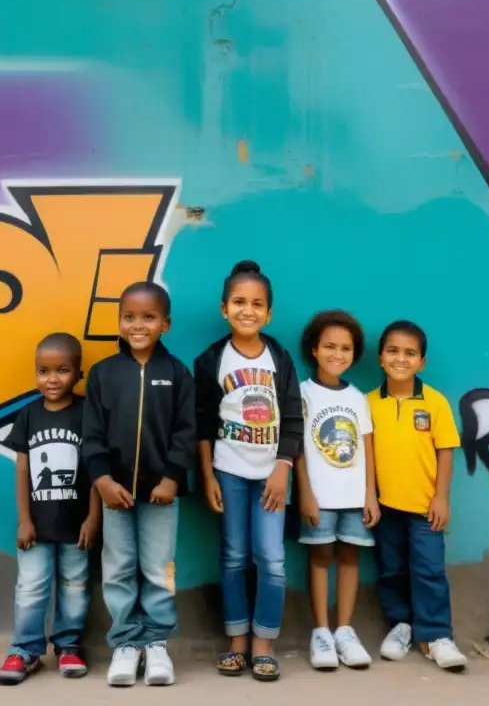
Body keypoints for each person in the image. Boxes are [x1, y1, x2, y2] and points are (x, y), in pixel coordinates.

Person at [82, 281, 196, 687]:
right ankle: (126, 644)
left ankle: (157, 643)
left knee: (158, 569)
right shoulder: (103, 374)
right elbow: (91, 434)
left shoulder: (177, 374)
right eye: (129, 317)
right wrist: (102, 480)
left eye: (148, 317)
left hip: (160, 496)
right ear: (119, 320)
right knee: (118, 569)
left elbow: (186, 433)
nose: (137, 325)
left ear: (164, 323)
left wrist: (170, 479)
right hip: (114, 495)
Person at [194, 260, 303, 682]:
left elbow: (292, 415)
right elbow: (203, 425)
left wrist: (283, 467)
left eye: (257, 304)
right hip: (229, 472)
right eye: (239, 302)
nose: (248, 310)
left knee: (272, 559)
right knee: (235, 555)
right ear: (224, 309)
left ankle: (264, 643)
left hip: (271, 473)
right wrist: (206, 477)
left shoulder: (278, 357)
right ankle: (237, 642)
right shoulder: (210, 360)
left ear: (269, 313)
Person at [0, 333, 101, 686]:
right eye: (43, 371)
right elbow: (23, 470)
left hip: (76, 526)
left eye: (62, 370)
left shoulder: (87, 413)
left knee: (74, 586)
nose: (51, 379)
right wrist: (24, 520)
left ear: (78, 373)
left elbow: (95, 467)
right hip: (37, 527)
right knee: (31, 587)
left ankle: (68, 646)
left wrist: (93, 517)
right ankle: (24, 649)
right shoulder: (28, 415)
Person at [367, 320, 468, 670]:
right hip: (385, 506)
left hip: (425, 506)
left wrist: (441, 497)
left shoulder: (435, 402)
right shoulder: (368, 404)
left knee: (428, 570)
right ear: (380, 357)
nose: (400, 359)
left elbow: (446, 451)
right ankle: (401, 625)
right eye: (393, 351)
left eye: (410, 353)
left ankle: (438, 635)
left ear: (422, 362)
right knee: (391, 569)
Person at [295, 311, 379, 671]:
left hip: (354, 497)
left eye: (345, 348)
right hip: (320, 496)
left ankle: (344, 630)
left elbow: (368, 450)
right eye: (329, 346)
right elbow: (296, 449)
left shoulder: (359, 399)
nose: (337, 354)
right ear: (314, 349)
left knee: (349, 558)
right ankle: (321, 633)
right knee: (319, 558)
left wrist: (370, 495)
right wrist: (306, 494)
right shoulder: (301, 393)